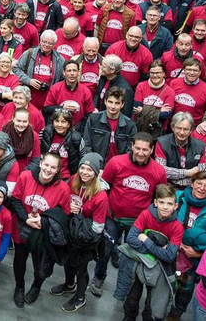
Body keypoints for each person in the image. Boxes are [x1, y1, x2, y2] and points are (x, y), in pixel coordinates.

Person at [93, 133, 168, 300]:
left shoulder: (158, 171)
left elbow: (161, 197)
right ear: (132, 146)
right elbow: (103, 187)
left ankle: (124, 288)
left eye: (145, 149)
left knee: (131, 257)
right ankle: (98, 278)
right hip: (113, 217)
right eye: (138, 148)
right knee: (104, 251)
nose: (141, 152)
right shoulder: (116, 162)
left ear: (152, 150)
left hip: (138, 223)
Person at [9, 152, 72, 307]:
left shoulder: (63, 189)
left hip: (43, 235)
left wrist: (43, 221)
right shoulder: (25, 177)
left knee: (41, 265)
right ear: (40, 163)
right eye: (46, 165)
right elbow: (15, 200)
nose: (48, 169)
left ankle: (36, 286)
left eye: (53, 167)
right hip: (22, 228)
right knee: (20, 259)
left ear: (58, 170)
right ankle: (19, 286)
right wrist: (26, 219)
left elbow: (64, 215)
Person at [121, 184, 185, 321]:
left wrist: (146, 240)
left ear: (176, 206)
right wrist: (157, 250)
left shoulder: (177, 227)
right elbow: (130, 238)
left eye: (169, 203)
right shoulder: (146, 214)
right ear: (155, 202)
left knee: (152, 302)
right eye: (161, 202)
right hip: (141, 262)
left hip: (160, 268)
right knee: (132, 296)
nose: (165, 207)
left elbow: (169, 256)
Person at [55, 153, 108, 313]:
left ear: (96, 172)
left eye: (89, 170)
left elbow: (98, 227)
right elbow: (64, 200)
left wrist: (80, 219)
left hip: (85, 239)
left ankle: (80, 297)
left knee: (80, 267)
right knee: (67, 261)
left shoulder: (101, 196)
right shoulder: (73, 181)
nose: (85, 172)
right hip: (71, 232)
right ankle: (69, 285)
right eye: (82, 168)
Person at [171, 171, 206, 320]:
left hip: (190, 259)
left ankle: (177, 312)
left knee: (185, 288)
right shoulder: (177, 196)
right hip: (170, 251)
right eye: (199, 184)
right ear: (192, 183)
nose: (202, 188)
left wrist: (199, 254)